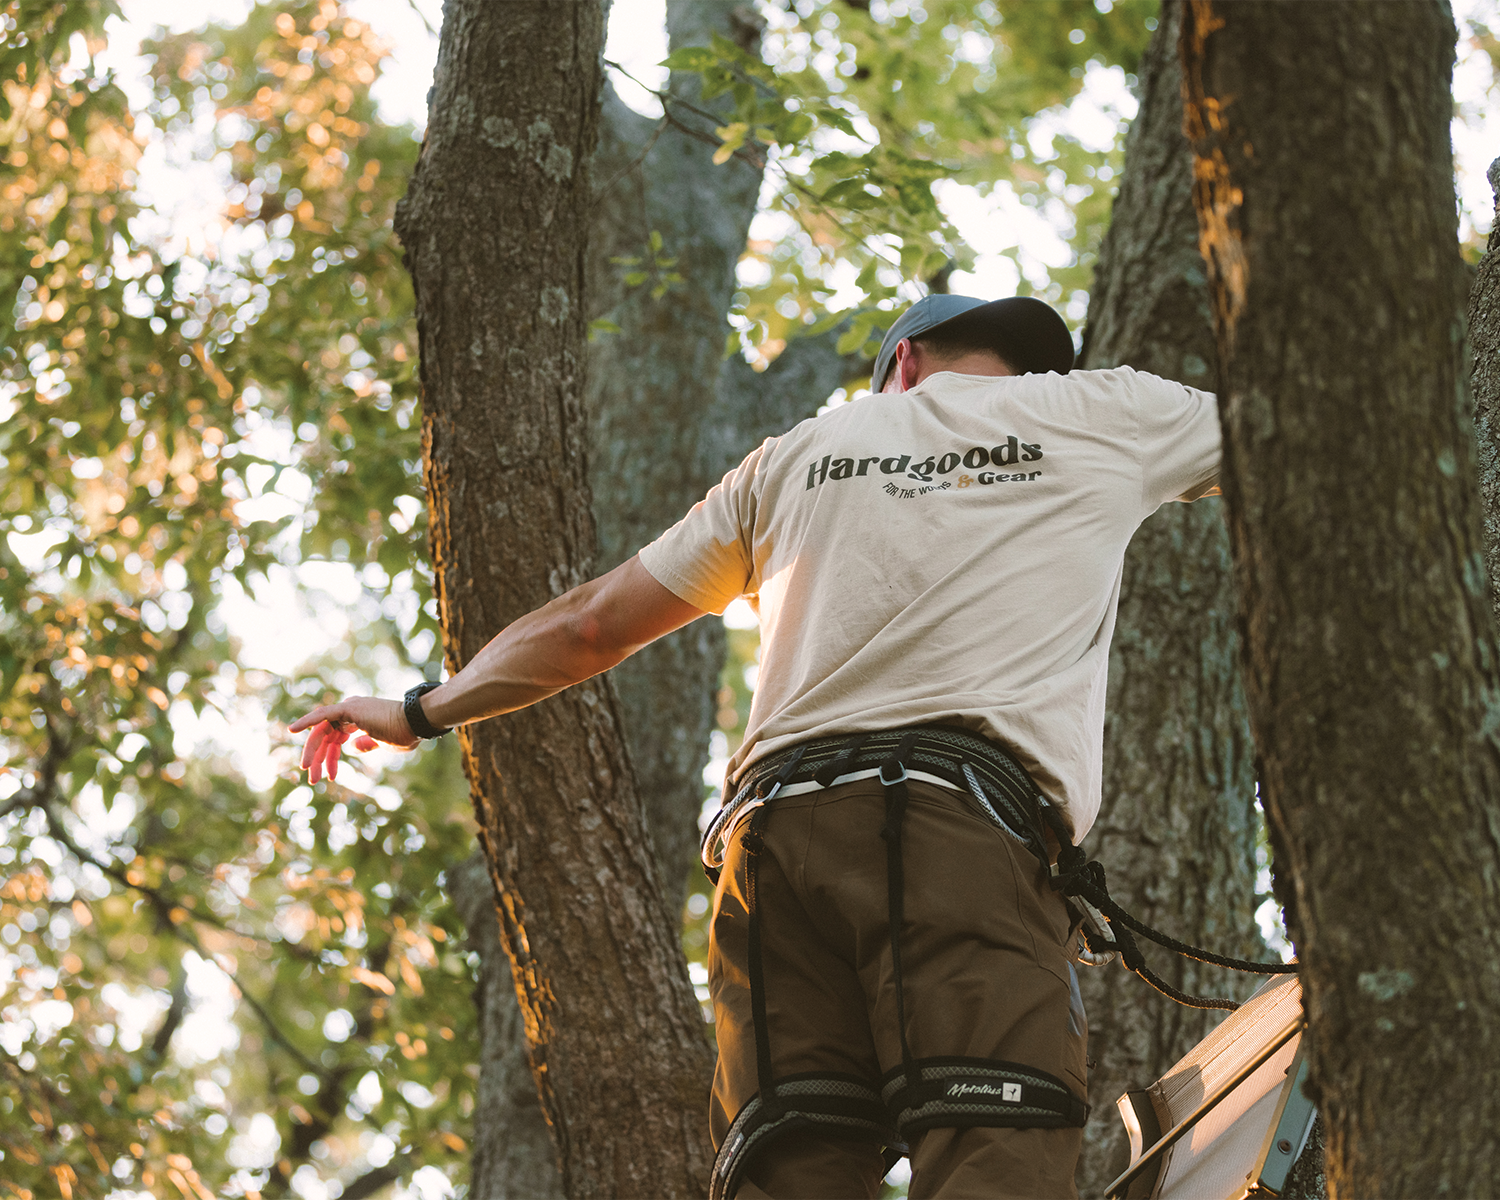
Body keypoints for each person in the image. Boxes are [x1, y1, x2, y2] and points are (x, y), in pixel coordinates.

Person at [290, 294, 1221, 1199]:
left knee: (791, 1173)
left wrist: (420, 711)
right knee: (995, 1150)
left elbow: (589, 626)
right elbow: (1282, 428)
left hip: (772, 853)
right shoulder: (1103, 411)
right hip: (961, 840)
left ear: (901, 364)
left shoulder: (794, 460)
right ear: (1018, 369)